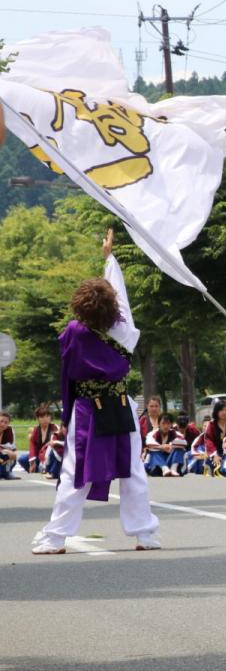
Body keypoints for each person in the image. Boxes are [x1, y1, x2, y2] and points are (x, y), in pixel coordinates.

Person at [31, 229, 161, 554]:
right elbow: (120, 297)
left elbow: (68, 378)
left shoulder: (75, 333)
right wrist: (110, 260)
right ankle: (145, 534)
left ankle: (55, 537)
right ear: (111, 305)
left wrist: (65, 415)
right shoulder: (125, 332)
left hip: (88, 409)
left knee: (76, 473)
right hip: (121, 405)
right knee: (132, 471)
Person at [203, 401, 226, 476]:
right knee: (215, 463)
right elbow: (208, 440)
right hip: (216, 452)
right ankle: (209, 467)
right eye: (221, 410)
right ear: (216, 411)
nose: (224, 412)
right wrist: (214, 455)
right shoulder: (211, 424)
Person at [0, 412, 17, 479]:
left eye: (6, 422)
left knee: (9, 454)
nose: (3, 424)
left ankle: (7, 471)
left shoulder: (10, 431)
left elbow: (12, 450)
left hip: (5, 456)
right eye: (1, 421)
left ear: (8, 424)